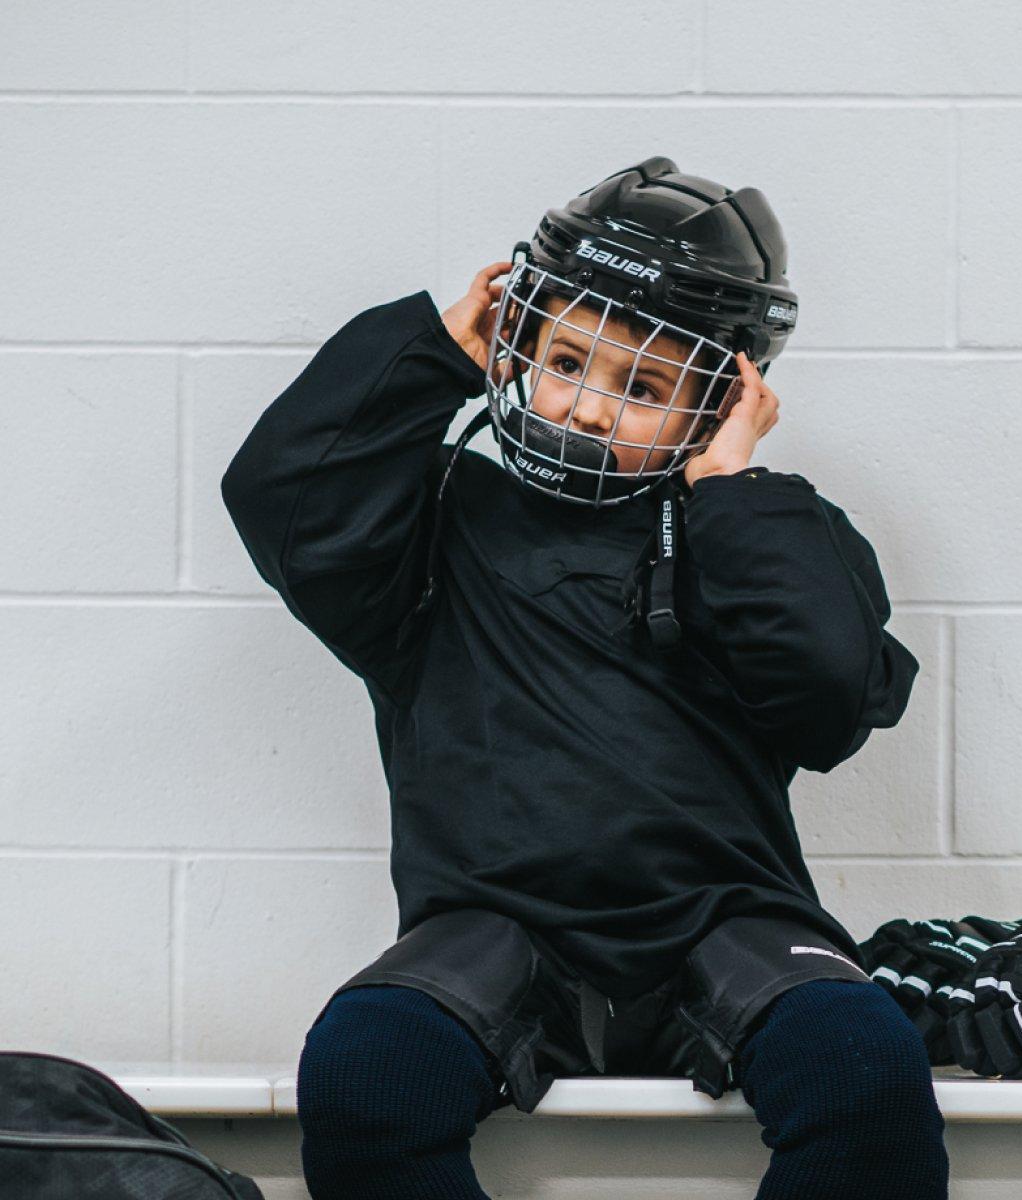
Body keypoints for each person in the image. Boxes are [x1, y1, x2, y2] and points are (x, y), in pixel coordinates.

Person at [221, 156, 948, 1199]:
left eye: (644, 386)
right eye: (567, 359)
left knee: (865, 1068)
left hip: (725, 914)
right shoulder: (435, 527)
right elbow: (290, 499)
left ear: (720, 401)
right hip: (493, 920)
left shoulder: (761, 532)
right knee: (369, 1072)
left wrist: (733, 495)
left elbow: (829, 697)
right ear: (515, 344)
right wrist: (428, 355)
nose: (592, 409)